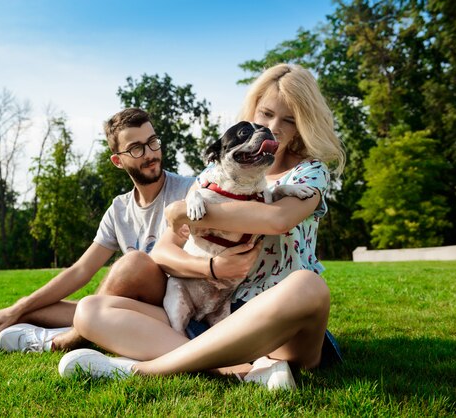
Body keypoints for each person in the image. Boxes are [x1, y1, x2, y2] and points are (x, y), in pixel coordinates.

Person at [0, 108, 259, 369]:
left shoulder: (192, 190)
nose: (151, 153)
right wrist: (20, 305)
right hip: (112, 308)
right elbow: (81, 269)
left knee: (136, 262)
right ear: (118, 160)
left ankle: (70, 337)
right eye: (137, 149)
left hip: (170, 315)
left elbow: (236, 218)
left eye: (153, 142)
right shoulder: (119, 209)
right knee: (18, 315)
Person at [57, 63, 346, 390]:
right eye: (266, 114)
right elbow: (164, 250)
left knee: (308, 286)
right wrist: (211, 266)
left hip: (279, 322)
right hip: (216, 315)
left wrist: (186, 209)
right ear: (252, 111)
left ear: (304, 123)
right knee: (91, 310)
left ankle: (143, 369)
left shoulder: (310, 173)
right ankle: (240, 370)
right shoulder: (220, 169)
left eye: (289, 120)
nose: (274, 127)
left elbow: (277, 219)